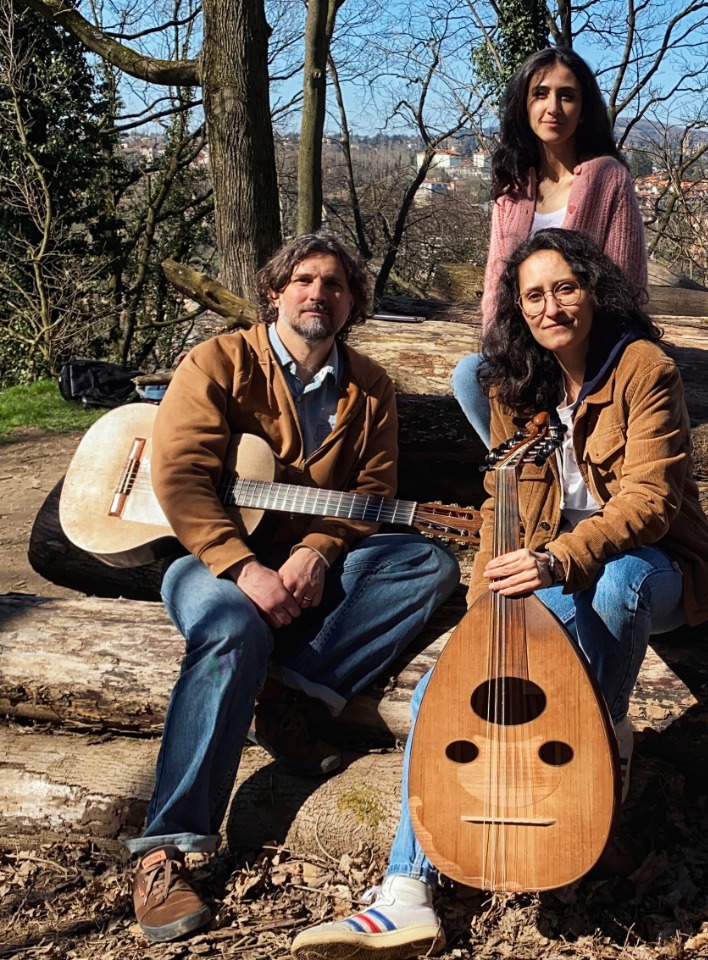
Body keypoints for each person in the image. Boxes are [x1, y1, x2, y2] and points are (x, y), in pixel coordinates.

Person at [288, 229, 708, 960]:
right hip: (557, 569)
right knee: (447, 685)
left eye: (565, 287)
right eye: (534, 294)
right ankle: (404, 893)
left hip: (654, 566)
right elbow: (506, 513)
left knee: (621, 580)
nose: (551, 305)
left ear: (594, 291)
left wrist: (558, 561)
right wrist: (485, 625)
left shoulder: (643, 369)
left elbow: (651, 502)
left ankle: (599, 748)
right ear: (517, 308)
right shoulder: (512, 386)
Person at [125, 233, 461, 944]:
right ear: (275, 292)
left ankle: (290, 694)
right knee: (233, 628)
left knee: (428, 564)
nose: (318, 294)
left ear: (352, 304)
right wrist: (243, 567)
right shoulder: (219, 361)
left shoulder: (369, 387)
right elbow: (181, 477)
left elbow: (373, 490)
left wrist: (315, 550)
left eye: (335, 284)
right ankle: (166, 849)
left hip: (311, 558)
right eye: (303, 280)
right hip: (209, 557)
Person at [452, 46, 648, 446]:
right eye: (540, 93)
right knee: (469, 376)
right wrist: (505, 350)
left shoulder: (608, 177)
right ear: (524, 104)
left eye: (567, 95)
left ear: (583, 108)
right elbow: (496, 284)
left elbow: (626, 285)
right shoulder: (512, 189)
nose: (553, 106)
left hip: (591, 353)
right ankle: (531, 475)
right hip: (526, 350)